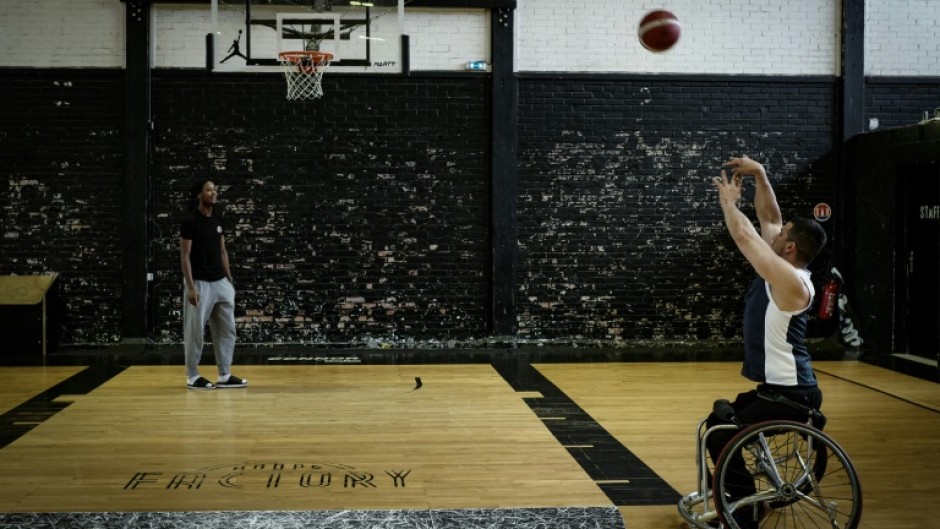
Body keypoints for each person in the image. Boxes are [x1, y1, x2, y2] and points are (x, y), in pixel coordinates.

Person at [706, 155, 827, 528]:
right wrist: (760, 174)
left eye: (782, 235)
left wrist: (729, 204)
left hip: (789, 394)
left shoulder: (790, 282)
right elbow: (771, 217)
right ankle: (742, 497)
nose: (774, 233)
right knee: (722, 421)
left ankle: (743, 512)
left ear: (789, 248)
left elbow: (745, 235)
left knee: (718, 434)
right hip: (783, 388)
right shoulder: (789, 268)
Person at [180, 179, 247, 390]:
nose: (213, 193)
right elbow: (185, 255)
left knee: (227, 330)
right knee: (195, 331)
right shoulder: (190, 221)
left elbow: (222, 251)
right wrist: (190, 286)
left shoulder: (218, 220)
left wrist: (229, 280)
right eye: (209, 190)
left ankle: (224, 374)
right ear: (199, 195)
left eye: (215, 189)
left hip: (221, 283)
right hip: (200, 283)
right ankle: (192, 375)